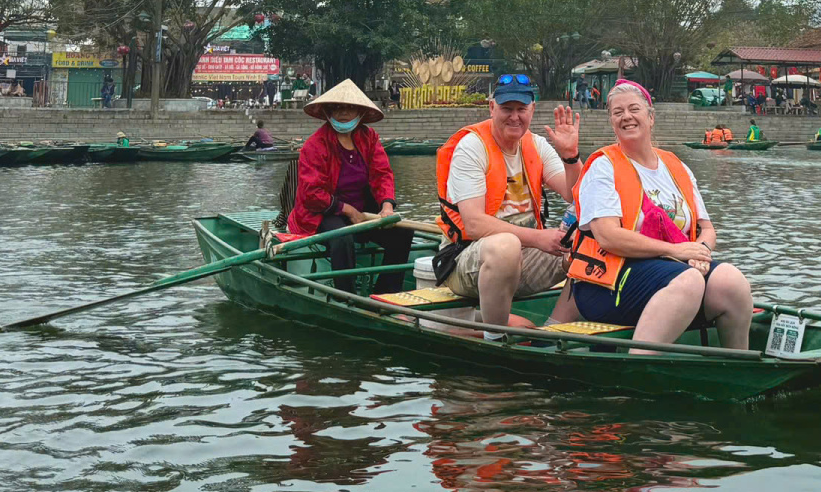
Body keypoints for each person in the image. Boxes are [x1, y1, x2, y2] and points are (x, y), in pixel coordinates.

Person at [567, 80, 753, 350]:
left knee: (731, 281)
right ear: (611, 122)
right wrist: (677, 252)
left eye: (634, 109)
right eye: (618, 113)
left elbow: (707, 229)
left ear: (651, 117)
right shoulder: (603, 166)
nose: (627, 117)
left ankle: (738, 368)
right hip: (606, 284)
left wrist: (699, 252)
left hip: (676, 268)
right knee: (687, 280)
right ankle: (640, 364)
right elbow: (608, 237)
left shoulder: (677, 167)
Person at [435, 73, 582, 330]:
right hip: (466, 260)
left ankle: (552, 331)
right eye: (506, 109)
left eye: (521, 109)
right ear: (492, 108)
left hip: (525, 257)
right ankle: (495, 337)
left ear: (532, 110)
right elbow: (474, 225)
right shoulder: (472, 147)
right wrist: (539, 238)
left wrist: (571, 156)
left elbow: (574, 194)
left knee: (593, 240)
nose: (515, 117)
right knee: (506, 246)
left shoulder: (536, 145)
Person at [284, 79, 413, 294]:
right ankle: (347, 295)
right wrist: (348, 210)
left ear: (360, 113)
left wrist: (387, 206)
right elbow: (311, 194)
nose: (343, 112)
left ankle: (386, 292)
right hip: (324, 211)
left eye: (349, 107)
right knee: (342, 237)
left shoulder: (369, 138)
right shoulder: (315, 145)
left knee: (403, 233)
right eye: (337, 108)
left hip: (362, 209)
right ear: (328, 112)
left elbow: (382, 174)